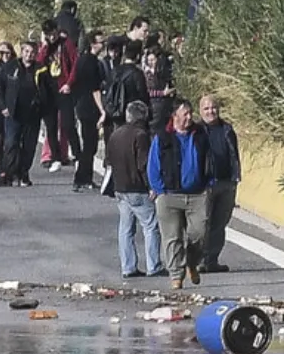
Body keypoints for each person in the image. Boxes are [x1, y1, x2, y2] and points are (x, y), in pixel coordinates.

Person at [147, 99, 214, 289]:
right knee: (172, 238)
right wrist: (160, 190)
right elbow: (153, 166)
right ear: (174, 116)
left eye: (190, 113)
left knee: (200, 234)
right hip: (169, 195)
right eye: (185, 114)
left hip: (197, 194)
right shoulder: (163, 137)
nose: (189, 117)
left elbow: (210, 160)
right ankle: (176, 274)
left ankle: (192, 262)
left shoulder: (200, 134)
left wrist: (209, 183)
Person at [108, 101, 162, 278]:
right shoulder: (141, 135)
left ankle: (128, 266)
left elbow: (108, 161)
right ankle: (154, 265)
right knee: (151, 225)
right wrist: (151, 186)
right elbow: (143, 164)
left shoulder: (115, 134)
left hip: (120, 187)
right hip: (137, 188)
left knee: (125, 228)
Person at [197, 94, 241, 273]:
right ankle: (199, 260)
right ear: (200, 111)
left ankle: (212, 260)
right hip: (205, 184)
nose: (211, 112)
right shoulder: (196, 131)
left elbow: (234, 154)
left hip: (226, 182)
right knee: (202, 223)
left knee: (219, 224)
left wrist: (235, 177)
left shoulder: (227, 129)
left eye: (213, 107)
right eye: (206, 108)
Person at [0, 41, 40, 186]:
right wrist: (3, 106)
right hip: (13, 113)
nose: (29, 55)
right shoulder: (10, 67)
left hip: (33, 114)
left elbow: (48, 89)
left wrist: (44, 107)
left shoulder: (41, 69)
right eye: (26, 51)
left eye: (32, 52)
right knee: (11, 143)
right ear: (21, 52)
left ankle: (23, 173)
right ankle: (9, 174)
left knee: (29, 146)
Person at [35, 19, 77, 171]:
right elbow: (38, 64)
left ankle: (77, 154)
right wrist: (44, 47)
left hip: (63, 88)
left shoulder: (66, 44)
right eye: (48, 35)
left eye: (53, 34)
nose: (52, 37)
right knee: (51, 127)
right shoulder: (45, 47)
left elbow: (75, 64)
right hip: (49, 91)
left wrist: (69, 83)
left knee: (68, 124)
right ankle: (56, 157)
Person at [70, 30, 106, 192]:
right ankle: (81, 178)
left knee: (90, 144)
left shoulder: (82, 60)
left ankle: (85, 177)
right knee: (89, 145)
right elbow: (94, 89)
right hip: (89, 107)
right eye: (101, 42)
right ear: (93, 44)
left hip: (81, 104)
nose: (103, 45)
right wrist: (102, 110)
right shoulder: (90, 63)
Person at [100, 37, 148, 137]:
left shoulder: (114, 71)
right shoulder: (137, 73)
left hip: (116, 113)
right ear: (138, 56)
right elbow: (143, 95)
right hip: (132, 114)